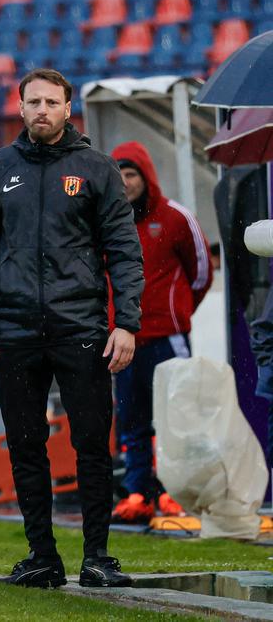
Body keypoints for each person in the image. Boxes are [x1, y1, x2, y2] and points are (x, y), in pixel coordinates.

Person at [0, 69, 144, 588]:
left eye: (51, 102)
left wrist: (126, 323)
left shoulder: (97, 168)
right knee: (25, 445)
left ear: (67, 109)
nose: (42, 110)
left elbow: (124, 251)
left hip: (81, 327)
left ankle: (97, 557)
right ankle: (42, 556)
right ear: (20, 108)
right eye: (33, 102)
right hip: (15, 330)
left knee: (91, 444)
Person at [109, 141, 213, 523]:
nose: (125, 182)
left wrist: (177, 313)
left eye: (131, 173)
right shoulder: (104, 222)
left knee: (176, 419)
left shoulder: (175, 217)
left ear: (146, 176)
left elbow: (201, 272)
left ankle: (174, 491)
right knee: (132, 419)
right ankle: (138, 493)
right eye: (119, 175)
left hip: (168, 338)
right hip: (124, 342)